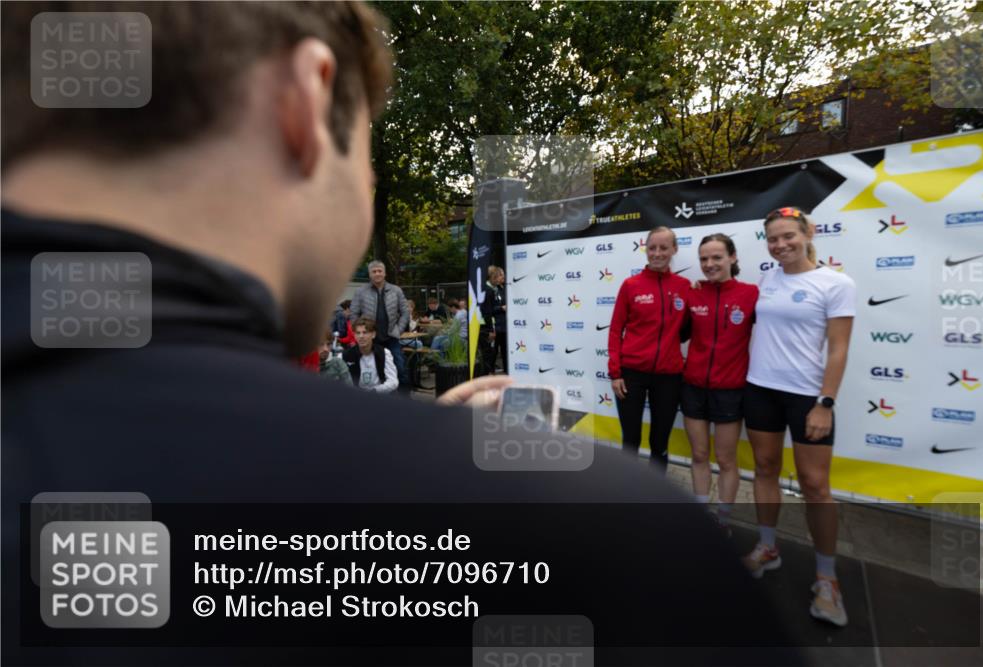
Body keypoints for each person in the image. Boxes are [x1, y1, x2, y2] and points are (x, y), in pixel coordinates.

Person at [1, 4, 798, 664]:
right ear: (305, 103)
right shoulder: (609, 543)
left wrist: (409, 451)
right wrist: (445, 480)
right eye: (372, 148)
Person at [742, 206, 856, 627]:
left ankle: (827, 579)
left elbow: (839, 348)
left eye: (788, 236)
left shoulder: (836, 283)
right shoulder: (768, 278)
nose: (780, 245)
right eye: (773, 239)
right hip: (760, 390)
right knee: (766, 468)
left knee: (815, 486)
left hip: (808, 398)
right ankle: (768, 548)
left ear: (809, 233)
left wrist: (825, 402)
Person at [682, 234, 758, 531]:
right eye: (704, 259)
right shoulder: (693, 293)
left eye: (716, 257)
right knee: (699, 455)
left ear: (733, 257)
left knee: (726, 460)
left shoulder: (751, 293)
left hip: (730, 389)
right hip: (693, 386)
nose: (709, 264)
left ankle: (723, 520)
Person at [608, 227, 691, 469]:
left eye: (663, 248)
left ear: (674, 249)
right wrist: (616, 373)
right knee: (631, 441)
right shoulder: (630, 285)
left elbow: (687, 329)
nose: (657, 253)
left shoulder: (684, 286)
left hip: (669, 377)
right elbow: (615, 330)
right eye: (652, 247)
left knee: (659, 442)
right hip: (631, 375)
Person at [351, 260, 409, 387]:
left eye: (380, 271)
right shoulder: (361, 292)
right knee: (374, 369)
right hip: (371, 338)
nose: (377, 274)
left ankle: (404, 399)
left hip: (391, 337)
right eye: (374, 271)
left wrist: (398, 330)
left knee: (400, 368)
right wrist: (359, 332)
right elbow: (353, 314)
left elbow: (405, 312)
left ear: (385, 273)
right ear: (370, 274)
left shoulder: (396, 290)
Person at [343, 317, 398, 392]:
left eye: (365, 332)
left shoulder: (384, 353)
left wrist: (375, 391)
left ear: (373, 334)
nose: (361, 336)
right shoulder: (345, 355)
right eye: (358, 333)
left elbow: (393, 381)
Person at [479, 265, 507, 374]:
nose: (502, 278)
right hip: (486, 327)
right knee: (488, 353)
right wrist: (491, 330)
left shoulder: (489, 288)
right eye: (500, 276)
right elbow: (487, 312)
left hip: (487, 325)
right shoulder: (488, 290)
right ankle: (487, 377)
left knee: (487, 353)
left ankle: (488, 375)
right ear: (493, 276)